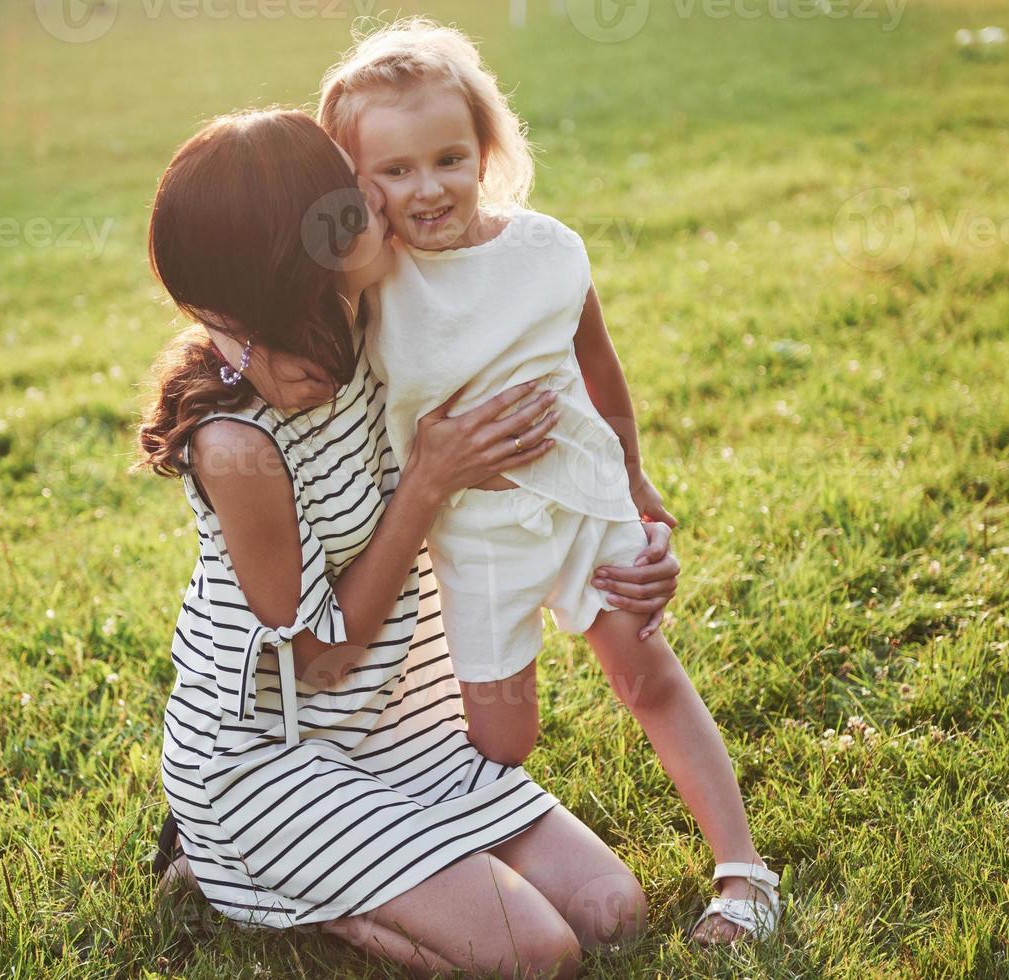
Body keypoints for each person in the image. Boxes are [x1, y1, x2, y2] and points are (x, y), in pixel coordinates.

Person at [133, 108, 683, 978]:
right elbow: (317, 660)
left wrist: (632, 534)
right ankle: (236, 873)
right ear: (292, 258)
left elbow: (552, 374)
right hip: (271, 758)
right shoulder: (238, 445)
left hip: (397, 724)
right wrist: (426, 483)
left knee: (613, 913)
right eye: (348, 198)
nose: (379, 202)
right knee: (538, 954)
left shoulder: (368, 316)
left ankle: (381, 867)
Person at [316, 18, 780, 944]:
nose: (427, 187)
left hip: (577, 503)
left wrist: (638, 486)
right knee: (501, 742)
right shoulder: (368, 282)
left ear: (486, 149)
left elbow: (601, 375)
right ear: (353, 182)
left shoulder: (546, 252)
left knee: (645, 676)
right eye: (393, 171)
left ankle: (743, 873)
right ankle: (453, 852)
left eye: (449, 157)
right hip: (471, 536)